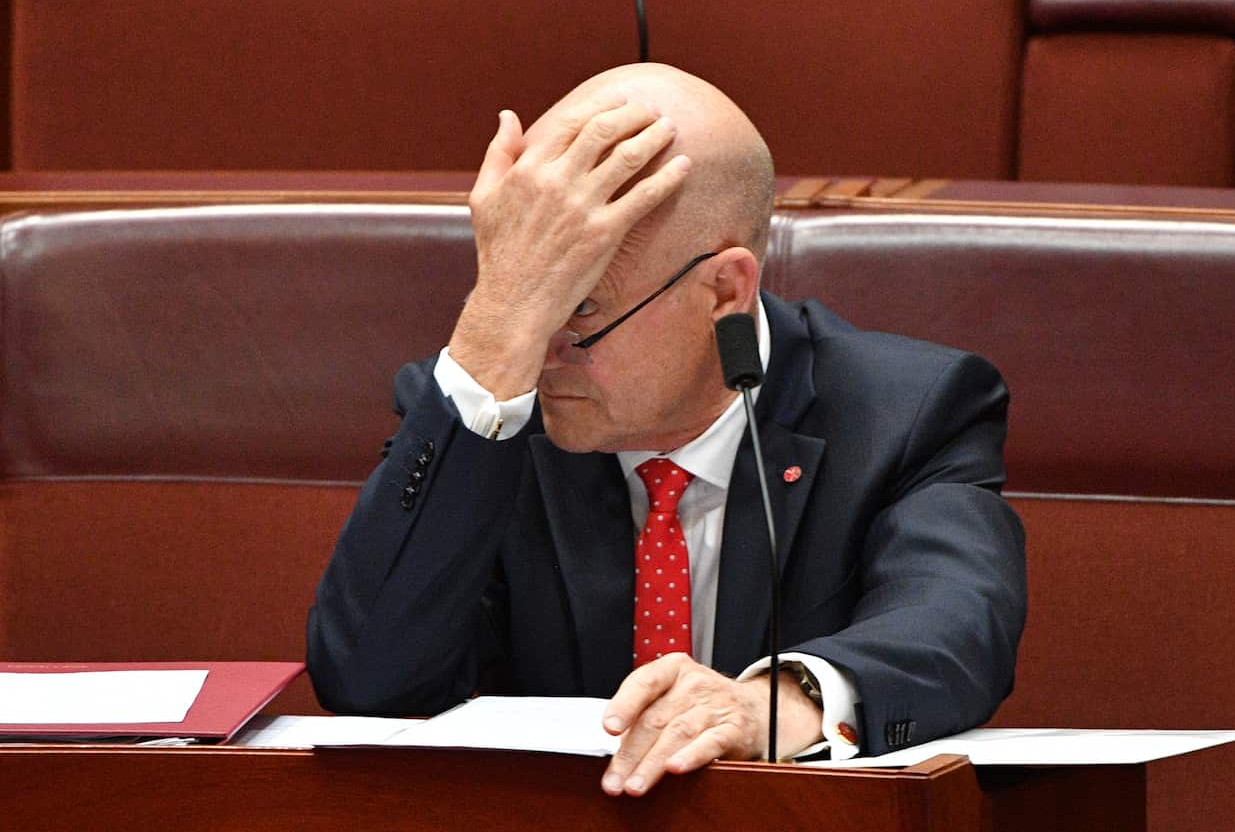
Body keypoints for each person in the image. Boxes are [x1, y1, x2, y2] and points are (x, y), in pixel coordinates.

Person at [306, 63, 1026, 797]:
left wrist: (772, 703)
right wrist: (494, 329)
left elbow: (956, 627)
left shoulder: (906, 411)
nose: (540, 347)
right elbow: (367, 675)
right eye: (525, 290)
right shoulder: (489, 407)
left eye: (579, 306)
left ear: (723, 292)